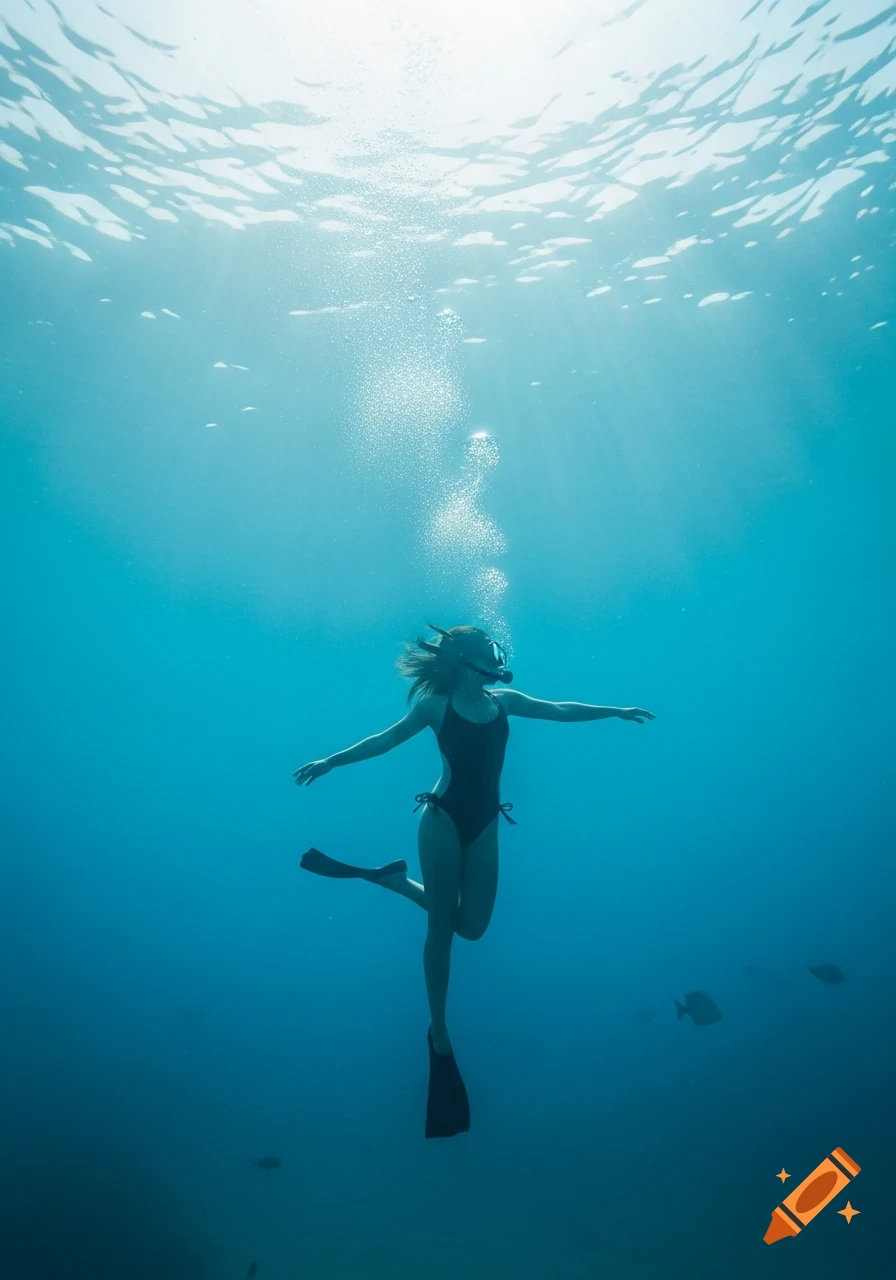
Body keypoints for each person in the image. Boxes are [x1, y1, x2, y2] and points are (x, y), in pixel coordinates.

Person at [294, 624, 654, 1137]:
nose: (497, 652)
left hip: (485, 823)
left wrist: (613, 711)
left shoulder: (505, 700)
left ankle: (395, 882)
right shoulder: (435, 705)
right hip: (441, 817)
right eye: (488, 647)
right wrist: (332, 760)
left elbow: (559, 709)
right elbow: (386, 739)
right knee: (441, 929)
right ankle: (439, 1031)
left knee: (473, 929)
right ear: (466, 657)